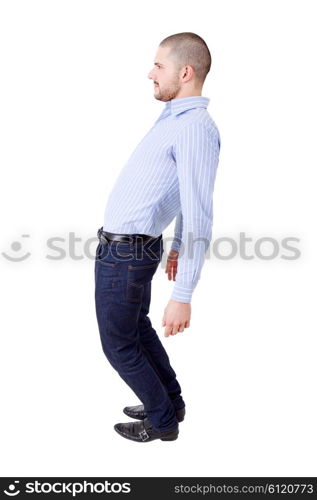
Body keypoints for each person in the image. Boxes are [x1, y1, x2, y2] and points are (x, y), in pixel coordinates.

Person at [94, 32, 221, 442]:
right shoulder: (175, 118)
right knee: (136, 331)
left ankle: (162, 422)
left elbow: (199, 208)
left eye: (159, 66)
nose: (150, 73)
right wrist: (178, 247)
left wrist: (183, 294)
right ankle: (168, 401)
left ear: (185, 73)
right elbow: (180, 192)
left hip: (126, 255)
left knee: (118, 344)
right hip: (128, 250)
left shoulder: (194, 128)